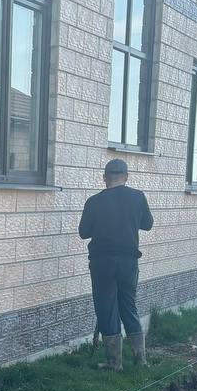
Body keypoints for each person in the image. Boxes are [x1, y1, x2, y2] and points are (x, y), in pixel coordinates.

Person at [79, 158, 154, 371]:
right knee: (128, 305)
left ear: (104, 178)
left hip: (102, 263)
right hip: (128, 261)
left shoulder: (94, 202)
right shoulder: (138, 197)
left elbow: (83, 232)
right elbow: (147, 224)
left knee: (107, 308)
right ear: (126, 177)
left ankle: (114, 362)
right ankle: (141, 359)